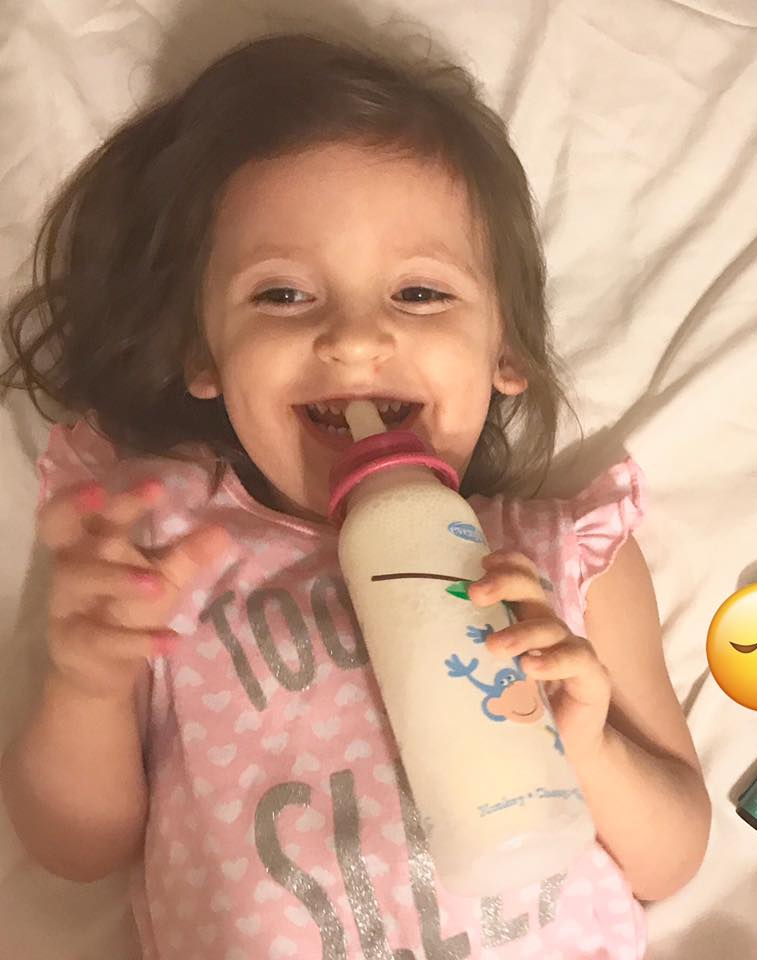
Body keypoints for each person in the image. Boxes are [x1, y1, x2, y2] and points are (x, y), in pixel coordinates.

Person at [0, 32, 710, 959]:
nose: (355, 340)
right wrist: (87, 686)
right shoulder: (164, 550)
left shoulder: (563, 561)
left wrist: (588, 746)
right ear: (205, 354)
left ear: (505, 351)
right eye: (283, 296)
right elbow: (76, 851)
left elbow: (673, 857)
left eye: (418, 294)